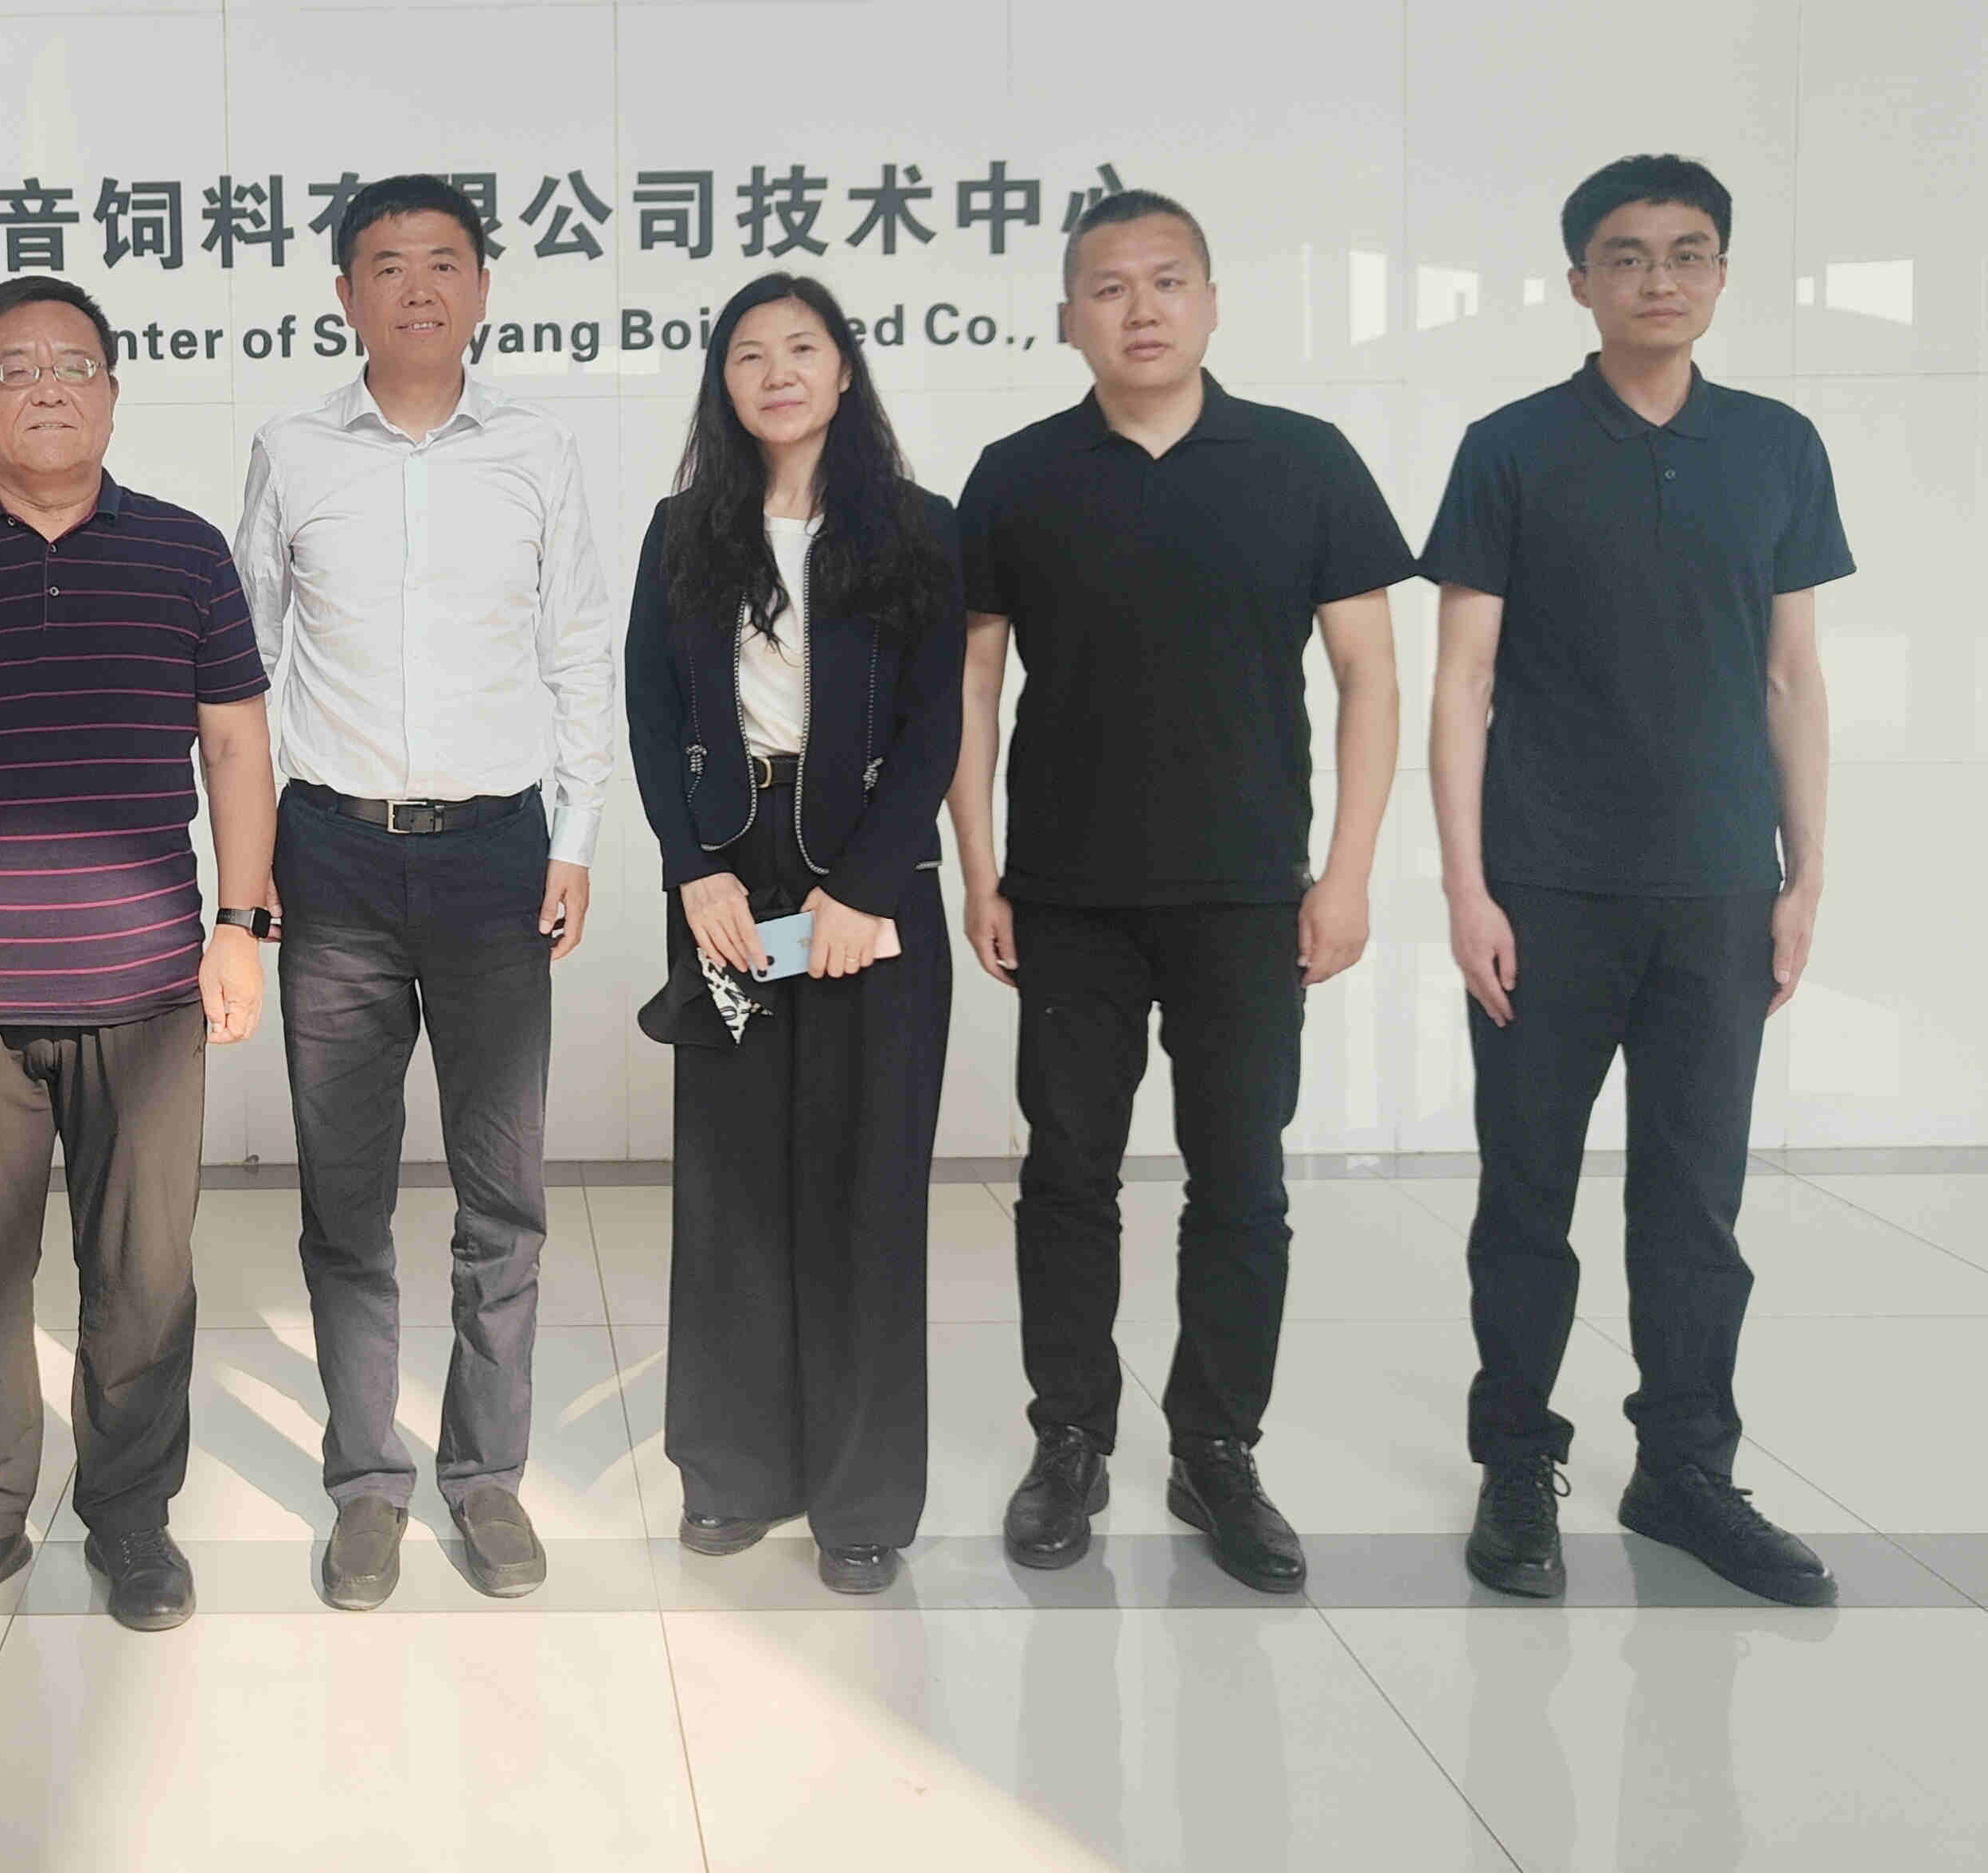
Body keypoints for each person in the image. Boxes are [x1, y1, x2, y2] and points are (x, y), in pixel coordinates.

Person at [950, 190, 1409, 1593]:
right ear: (1068, 318)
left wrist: (1347, 876)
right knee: (1067, 1177)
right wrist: (981, 866)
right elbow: (971, 684)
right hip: (1067, 894)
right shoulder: (1019, 474)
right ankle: (1070, 1439)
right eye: (1109, 287)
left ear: (1210, 303)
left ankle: (1217, 1449)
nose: (1140, 309)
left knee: (1241, 1183)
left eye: (1167, 281)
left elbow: (1371, 678)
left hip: (1248, 896)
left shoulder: (1304, 462)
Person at [0, 274, 274, 1644]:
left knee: (143, 1278)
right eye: (13, 370)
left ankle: (131, 1519)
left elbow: (237, 749)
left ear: (114, 393)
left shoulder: (187, 555)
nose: (47, 390)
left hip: (147, 987)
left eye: (73, 365)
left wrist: (241, 926)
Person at [1424, 154, 1851, 1607]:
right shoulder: (1511, 447)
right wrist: (1467, 887)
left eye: (1688, 253)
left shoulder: (1777, 446)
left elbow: (1792, 677)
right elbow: (1462, 681)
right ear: (1579, 282)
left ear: (1721, 274)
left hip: (1721, 888)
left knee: (1694, 1202)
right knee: (1526, 1197)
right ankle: (1514, 1463)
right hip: (1545, 886)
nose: (1660, 278)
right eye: (1628, 255)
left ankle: (1685, 1472)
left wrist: (1803, 876)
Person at [233, 174, 617, 1609]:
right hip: (331, 855)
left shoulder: (534, 451)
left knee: (502, 1195)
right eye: (386, 265)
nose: (417, 288)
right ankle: (366, 1484)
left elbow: (578, 648)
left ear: (483, 287)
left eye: (444, 262)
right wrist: (250, 868)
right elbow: (244, 666)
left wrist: (576, 836)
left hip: (496, 858)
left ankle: (486, 1475)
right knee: (346, 1201)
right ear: (344, 294)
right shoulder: (291, 449)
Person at [623, 274, 964, 1593]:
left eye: (801, 349)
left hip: (870, 873)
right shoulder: (683, 531)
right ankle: (732, 1472)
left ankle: (861, 1500)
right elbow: (652, 713)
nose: (776, 372)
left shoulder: (916, 529)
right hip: (729, 868)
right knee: (730, 1186)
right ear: (723, 382)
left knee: (867, 1188)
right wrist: (692, 871)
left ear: (843, 370)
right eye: (749, 354)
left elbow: (936, 723)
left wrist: (869, 889)